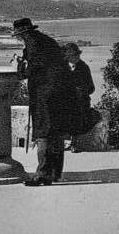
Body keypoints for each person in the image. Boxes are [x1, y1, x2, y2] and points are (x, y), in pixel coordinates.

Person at [13, 18, 75, 186]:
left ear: (24, 33)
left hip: (45, 94)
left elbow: (31, 70)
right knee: (55, 132)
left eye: (19, 35)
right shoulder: (46, 40)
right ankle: (54, 173)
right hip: (59, 93)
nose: (19, 38)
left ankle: (42, 175)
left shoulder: (33, 43)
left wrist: (19, 67)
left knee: (43, 132)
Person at [62, 43, 96, 153]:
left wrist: (81, 90)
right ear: (68, 57)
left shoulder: (84, 68)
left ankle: (74, 143)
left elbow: (91, 87)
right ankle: (62, 142)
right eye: (74, 55)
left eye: (77, 55)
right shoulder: (61, 68)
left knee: (77, 113)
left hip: (80, 101)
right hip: (65, 99)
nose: (77, 57)